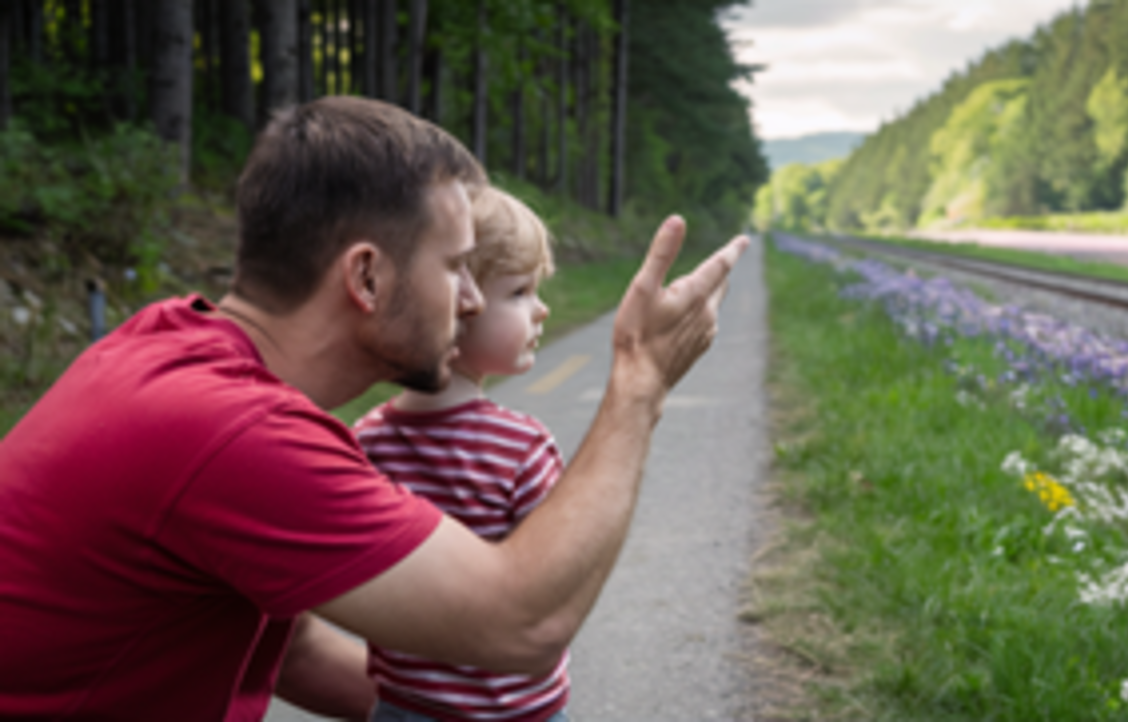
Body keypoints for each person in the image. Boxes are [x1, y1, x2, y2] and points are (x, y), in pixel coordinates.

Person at [0, 95, 747, 721]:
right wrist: (639, 381)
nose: (474, 299)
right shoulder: (234, 431)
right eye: (456, 266)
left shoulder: (171, 344)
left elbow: (291, 647)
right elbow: (523, 623)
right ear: (366, 276)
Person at [355, 187, 570, 722]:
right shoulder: (523, 448)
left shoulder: (363, 443)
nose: (541, 308)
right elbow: (559, 577)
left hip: (401, 707)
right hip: (517, 711)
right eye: (519, 292)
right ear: (459, 303)